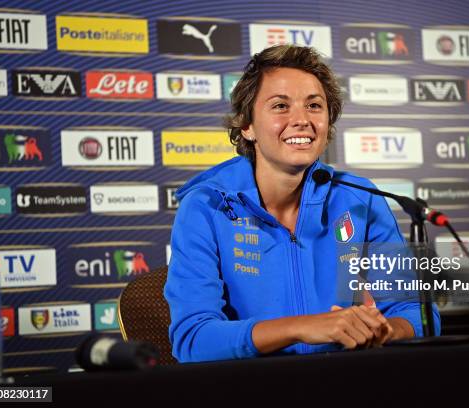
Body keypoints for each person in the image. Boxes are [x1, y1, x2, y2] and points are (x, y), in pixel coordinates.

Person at [164, 45, 440, 363]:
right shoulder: (206, 207)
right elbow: (194, 340)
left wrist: (382, 330)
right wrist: (303, 328)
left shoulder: (360, 199)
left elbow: (418, 314)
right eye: (280, 106)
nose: (302, 120)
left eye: (314, 105)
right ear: (247, 126)